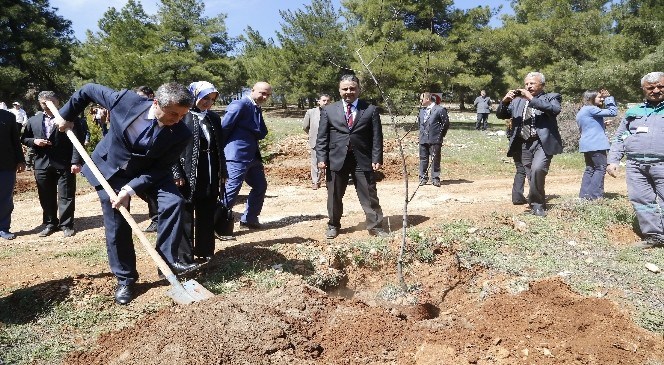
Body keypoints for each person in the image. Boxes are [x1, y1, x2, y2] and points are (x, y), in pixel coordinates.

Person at [56, 82, 198, 305]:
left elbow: (161, 168)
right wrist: (66, 115)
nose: (177, 119)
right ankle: (125, 279)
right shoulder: (125, 101)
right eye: (173, 113)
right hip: (110, 170)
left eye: (182, 115)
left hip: (148, 173)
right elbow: (88, 90)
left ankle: (166, 262)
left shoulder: (181, 132)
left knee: (174, 202)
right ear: (156, 103)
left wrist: (130, 189)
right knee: (117, 220)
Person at [316, 74, 388, 239]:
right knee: (334, 195)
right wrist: (321, 158)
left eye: (352, 88)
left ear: (359, 89)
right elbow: (322, 137)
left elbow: (377, 137)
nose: (349, 92)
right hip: (336, 159)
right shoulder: (329, 110)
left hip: (362, 159)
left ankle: (375, 226)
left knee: (369, 194)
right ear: (339, 90)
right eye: (345, 89)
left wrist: (377, 158)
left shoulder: (370, 110)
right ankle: (333, 225)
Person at [607, 71, 664, 249]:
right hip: (635, 165)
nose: (655, 90)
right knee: (641, 199)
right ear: (643, 89)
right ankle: (654, 236)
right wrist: (613, 160)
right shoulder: (633, 111)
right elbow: (620, 136)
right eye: (650, 87)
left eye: (660, 86)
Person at [496, 72, 563, 217]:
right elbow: (501, 115)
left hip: (541, 142)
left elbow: (554, 110)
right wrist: (505, 101)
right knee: (531, 174)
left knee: (538, 169)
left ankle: (537, 205)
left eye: (532, 83)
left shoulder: (552, 97)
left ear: (542, 85)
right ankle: (537, 204)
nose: (528, 86)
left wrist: (530, 98)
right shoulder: (518, 101)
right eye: (526, 84)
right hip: (523, 143)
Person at [173, 81, 226, 263]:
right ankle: (184, 258)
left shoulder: (213, 118)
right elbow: (171, 148)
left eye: (211, 99)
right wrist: (176, 172)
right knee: (186, 214)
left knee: (207, 212)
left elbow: (220, 147)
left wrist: (223, 171)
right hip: (188, 173)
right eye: (204, 98)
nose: (207, 103)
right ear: (194, 96)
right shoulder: (182, 117)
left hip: (210, 171)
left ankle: (205, 252)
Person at [21, 91, 85, 238]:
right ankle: (50, 223)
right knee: (45, 195)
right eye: (44, 103)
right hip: (42, 164)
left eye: (51, 102)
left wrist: (76, 161)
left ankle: (66, 225)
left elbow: (77, 141)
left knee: (66, 195)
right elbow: (25, 138)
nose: (47, 105)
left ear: (58, 102)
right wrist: (34, 142)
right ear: (40, 104)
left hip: (65, 163)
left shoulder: (70, 119)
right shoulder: (33, 120)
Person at [221, 81, 271, 229]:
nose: (264, 96)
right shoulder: (240, 104)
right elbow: (224, 128)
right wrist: (220, 152)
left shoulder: (256, 107)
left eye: (267, 94)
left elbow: (260, 131)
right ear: (252, 90)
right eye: (262, 93)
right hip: (237, 156)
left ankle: (249, 218)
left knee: (260, 185)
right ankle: (218, 224)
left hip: (253, 156)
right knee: (232, 189)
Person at [576, 89, 618, 200]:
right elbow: (613, 112)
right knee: (600, 168)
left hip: (587, 144)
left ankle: (584, 196)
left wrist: (602, 125)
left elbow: (589, 127)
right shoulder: (591, 109)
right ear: (591, 98)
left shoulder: (583, 110)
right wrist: (609, 99)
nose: (602, 99)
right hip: (596, 144)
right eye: (599, 97)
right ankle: (595, 196)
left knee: (590, 169)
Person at [132, 85, 159, 233]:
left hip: (154, 160)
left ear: (151, 97)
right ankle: (158, 215)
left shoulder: (158, 114)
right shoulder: (135, 114)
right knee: (141, 190)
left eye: (142, 98)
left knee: (151, 189)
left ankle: (157, 219)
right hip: (138, 159)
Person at [0, 109, 26, 240]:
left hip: (6, 165)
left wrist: (21, 160)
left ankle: (3, 228)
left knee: (5, 198)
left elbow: (16, 141)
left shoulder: (8, 117)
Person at [418, 92, 450, 187]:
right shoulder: (421, 111)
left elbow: (446, 124)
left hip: (435, 139)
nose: (420, 101)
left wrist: (440, 135)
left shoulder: (440, 110)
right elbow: (420, 124)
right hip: (423, 139)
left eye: (421, 99)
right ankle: (422, 178)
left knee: (435, 159)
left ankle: (435, 178)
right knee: (423, 158)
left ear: (427, 99)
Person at [303, 94, 331, 190]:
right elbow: (305, 127)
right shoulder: (311, 112)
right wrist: (312, 134)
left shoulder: (333, 112)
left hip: (330, 141)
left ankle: (329, 181)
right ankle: (315, 182)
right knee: (315, 162)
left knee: (330, 162)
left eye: (328, 100)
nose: (326, 102)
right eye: (324, 100)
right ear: (318, 101)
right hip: (315, 141)